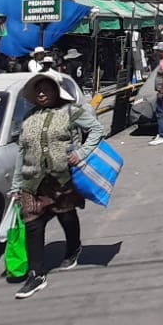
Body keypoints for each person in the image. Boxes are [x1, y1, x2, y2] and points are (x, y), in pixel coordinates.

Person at [11, 72, 105, 300]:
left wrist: (81, 153)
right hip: (31, 180)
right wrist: (16, 184)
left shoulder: (71, 112)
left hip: (61, 178)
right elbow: (21, 152)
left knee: (66, 214)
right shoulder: (28, 118)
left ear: (56, 92)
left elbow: (96, 130)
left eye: (47, 89)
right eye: (38, 91)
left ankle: (73, 247)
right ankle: (36, 274)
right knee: (32, 224)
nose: (42, 94)